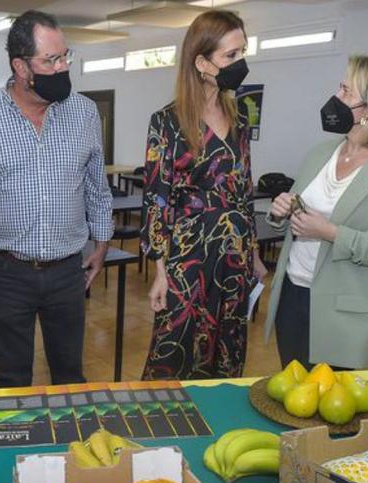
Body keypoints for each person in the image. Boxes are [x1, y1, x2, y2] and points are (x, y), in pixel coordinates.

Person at [0, 10, 113, 387]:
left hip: (67, 272)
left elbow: (96, 185)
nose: (62, 68)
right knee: (11, 379)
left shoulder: (84, 112)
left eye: (65, 57)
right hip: (6, 272)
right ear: (20, 66)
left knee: (70, 374)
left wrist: (102, 243)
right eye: (50, 60)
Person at [264, 52, 368, 370]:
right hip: (293, 295)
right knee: (293, 394)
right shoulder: (321, 153)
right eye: (340, 87)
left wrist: (330, 233)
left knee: (332, 408)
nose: (336, 97)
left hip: (344, 312)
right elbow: (296, 217)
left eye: (346, 91)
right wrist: (281, 211)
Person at [141, 10, 268, 381]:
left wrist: (254, 255)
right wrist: (160, 271)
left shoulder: (240, 116)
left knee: (226, 348)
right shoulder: (166, 122)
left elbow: (244, 187)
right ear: (201, 62)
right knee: (176, 348)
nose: (240, 63)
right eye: (231, 55)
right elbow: (156, 200)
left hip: (234, 255)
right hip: (188, 256)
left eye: (243, 52)